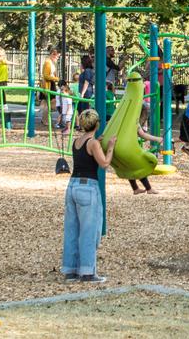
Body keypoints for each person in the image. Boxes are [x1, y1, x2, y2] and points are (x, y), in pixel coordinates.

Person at [61, 109, 116, 283]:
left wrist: (97, 144)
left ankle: (70, 269)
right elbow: (104, 163)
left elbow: (87, 152)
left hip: (72, 186)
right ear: (97, 124)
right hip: (87, 187)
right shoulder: (93, 144)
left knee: (72, 229)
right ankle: (87, 271)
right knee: (88, 230)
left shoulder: (77, 141)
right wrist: (111, 147)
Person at [128, 124, 163, 195]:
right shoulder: (134, 120)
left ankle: (135, 188)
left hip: (124, 148)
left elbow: (142, 134)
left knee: (129, 167)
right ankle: (148, 189)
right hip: (131, 148)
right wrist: (157, 139)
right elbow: (142, 134)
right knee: (140, 167)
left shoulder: (124, 119)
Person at [40, 47, 61, 128]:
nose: (58, 58)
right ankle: (45, 120)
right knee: (49, 103)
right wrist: (56, 79)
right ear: (52, 54)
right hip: (48, 85)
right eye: (57, 56)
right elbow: (46, 76)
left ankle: (44, 119)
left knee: (48, 103)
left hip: (50, 84)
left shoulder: (51, 62)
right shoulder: (48, 63)